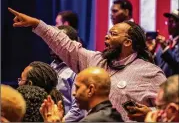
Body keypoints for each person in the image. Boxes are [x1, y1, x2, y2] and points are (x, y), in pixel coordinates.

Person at [8, 8, 167, 121]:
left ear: (127, 42)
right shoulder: (95, 60)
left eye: (113, 34)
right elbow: (66, 45)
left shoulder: (151, 73)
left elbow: (171, 110)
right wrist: (37, 24)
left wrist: (150, 114)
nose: (106, 37)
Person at [40, 67, 124, 122]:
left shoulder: (91, 121)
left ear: (90, 90)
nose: (74, 93)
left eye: (77, 88)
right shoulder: (115, 114)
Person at [50, 25, 85, 121]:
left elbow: (78, 110)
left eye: (56, 41)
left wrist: (58, 122)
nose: (51, 44)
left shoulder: (77, 70)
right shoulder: (52, 66)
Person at [154, 9, 179, 77]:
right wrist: (152, 51)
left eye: (172, 21)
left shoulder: (165, 46)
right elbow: (156, 65)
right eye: (168, 21)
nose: (169, 24)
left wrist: (165, 48)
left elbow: (177, 65)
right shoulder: (167, 43)